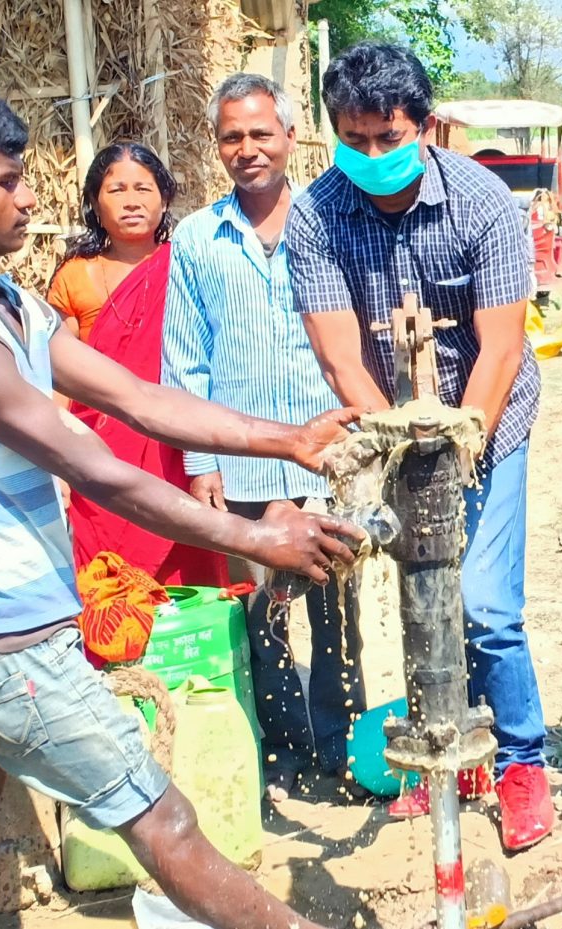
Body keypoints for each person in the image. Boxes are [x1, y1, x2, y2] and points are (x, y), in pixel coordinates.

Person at [0, 74, 360, 929]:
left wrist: (286, 439)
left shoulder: (6, 303)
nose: (31, 198)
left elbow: (140, 397)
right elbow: (99, 468)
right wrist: (253, 534)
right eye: (8, 180)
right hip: (5, 646)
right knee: (165, 823)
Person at [284, 43, 551, 852]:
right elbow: (338, 356)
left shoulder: (483, 204)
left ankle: (521, 760)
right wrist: (402, 442)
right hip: (389, 428)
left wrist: (458, 444)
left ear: (425, 125)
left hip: (489, 420)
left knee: (483, 601)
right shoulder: (316, 214)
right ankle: (444, 752)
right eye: (353, 139)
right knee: (421, 590)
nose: (371, 156)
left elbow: (500, 348)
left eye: (388, 138)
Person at [161, 72, 365, 802]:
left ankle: (342, 750)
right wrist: (201, 460)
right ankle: (281, 751)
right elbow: (185, 358)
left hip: (333, 455)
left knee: (335, 610)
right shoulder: (196, 239)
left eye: (260, 133)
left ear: (289, 136)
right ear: (217, 146)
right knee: (262, 616)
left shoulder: (336, 219)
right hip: (242, 464)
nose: (247, 149)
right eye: (231, 136)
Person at [47, 142, 228, 589]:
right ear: (95, 202)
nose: (132, 201)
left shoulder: (187, 264)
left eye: (144, 189)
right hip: (104, 450)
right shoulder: (76, 274)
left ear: (164, 199)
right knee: (111, 571)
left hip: (178, 440)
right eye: (117, 189)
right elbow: (58, 378)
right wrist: (57, 459)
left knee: (189, 552)